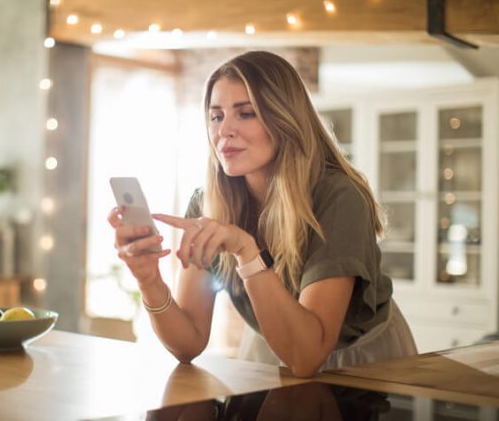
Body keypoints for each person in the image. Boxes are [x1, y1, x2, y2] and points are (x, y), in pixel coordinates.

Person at [108, 50, 417, 378]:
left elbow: (307, 356)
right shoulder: (208, 204)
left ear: (284, 118)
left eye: (246, 113)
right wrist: (149, 280)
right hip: (274, 346)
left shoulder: (337, 198)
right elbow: (189, 343)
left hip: (363, 361)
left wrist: (246, 252)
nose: (224, 130)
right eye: (216, 116)